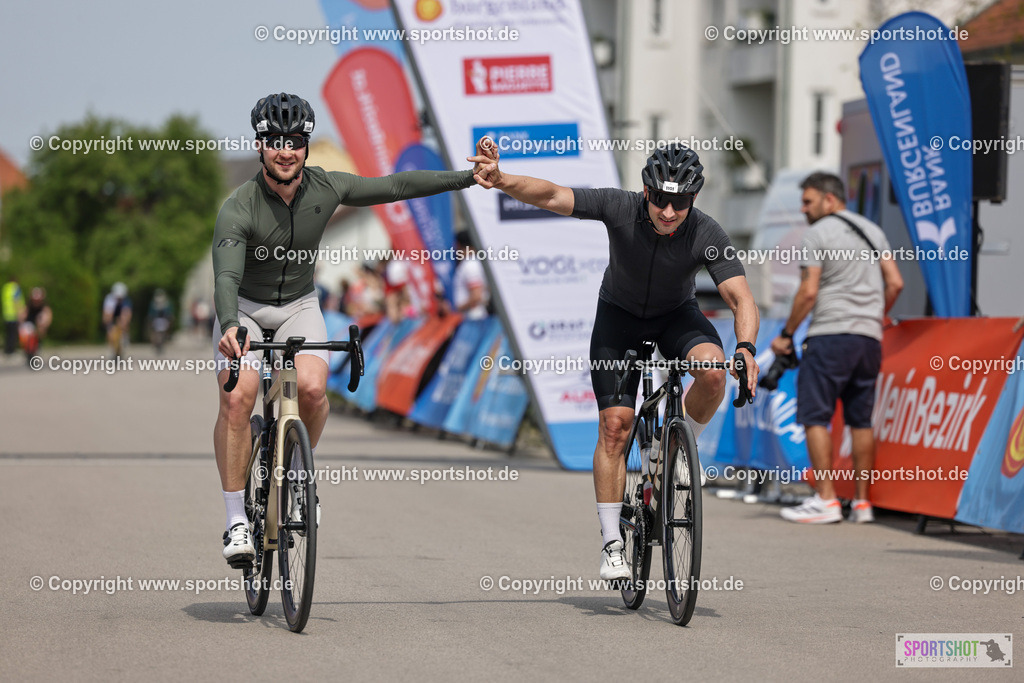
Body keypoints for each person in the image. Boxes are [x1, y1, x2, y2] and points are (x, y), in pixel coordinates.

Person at [213, 92, 486, 567]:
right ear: (259, 146)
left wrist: (468, 177)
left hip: (299, 304)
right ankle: (237, 519)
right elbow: (226, 278)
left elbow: (397, 185)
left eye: (295, 141)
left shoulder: (327, 187)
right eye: (274, 141)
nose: (285, 151)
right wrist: (232, 325)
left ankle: (298, 475)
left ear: (305, 147)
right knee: (240, 395)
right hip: (246, 308)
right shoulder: (239, 206)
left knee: (315, 391)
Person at [470, 140, 760, 580]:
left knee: (713, 372)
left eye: (678, 203)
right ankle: (611, 543)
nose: (667, 211)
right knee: (615, 427)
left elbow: (741, 299)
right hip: (618, 319)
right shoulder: (619, 207)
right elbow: (552, 195)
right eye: (660, 199)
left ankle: (675, 453)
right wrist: (503, 178)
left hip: (675, 317)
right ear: (645, 192)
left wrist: (746, 349)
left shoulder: (706, 232)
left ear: (693, 199)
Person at [770, 172, 903, 524]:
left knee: (815, 416)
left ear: (831, 199)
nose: (803, 209)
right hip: (869, 339)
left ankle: (826, 499)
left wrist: (786, 333)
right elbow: (896, 282)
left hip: (830, 335)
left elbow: (809, 292)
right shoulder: (872, 230)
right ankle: (862, 504)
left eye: (808, 201)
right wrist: (876, 315)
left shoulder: (817, 233)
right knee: (861, 421)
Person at [450, 230, 490, 320]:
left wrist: (455, 309)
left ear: (458, 245)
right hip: (472, 316)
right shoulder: (474, 262)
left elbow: (476, 295)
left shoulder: (470, 265)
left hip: (472, 317)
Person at [20, 287, 52, 359]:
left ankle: (38, 344)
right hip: (29, 324)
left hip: (38, 324)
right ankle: (27, 349)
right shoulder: (29, 305)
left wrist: (44, 325)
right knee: (26, 331)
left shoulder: (44, 306)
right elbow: (22, 315)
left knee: (42, 318)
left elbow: (48, 315)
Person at [102, 282, 132, 357]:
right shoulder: (109, 299)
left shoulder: (126, 301)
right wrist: (109, 325)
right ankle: (111, 346)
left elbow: (127, 314)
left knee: (124, 321)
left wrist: (123, 324)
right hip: (112, 313)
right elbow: (107, 314)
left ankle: (124, 338)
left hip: (121, 313)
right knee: (110, 330)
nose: (119, 299)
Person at [2, 279, 26, 357]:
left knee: (8, 334)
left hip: (6, 314)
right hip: (13, 314)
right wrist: (19, 313)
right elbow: (16, 300)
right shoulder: (15, 288)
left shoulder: (6, 287)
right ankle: (11, 351)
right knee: (13, 334)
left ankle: (7, 350)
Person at [147, 289, 174, 354]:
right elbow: (151, 314)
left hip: (163, 320)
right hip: (157, 320)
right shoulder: (154, 304)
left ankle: (161, 344)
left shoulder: (166, 303)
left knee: (162, 333)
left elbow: (169, 313)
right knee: (157, 333)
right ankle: (157, 344)